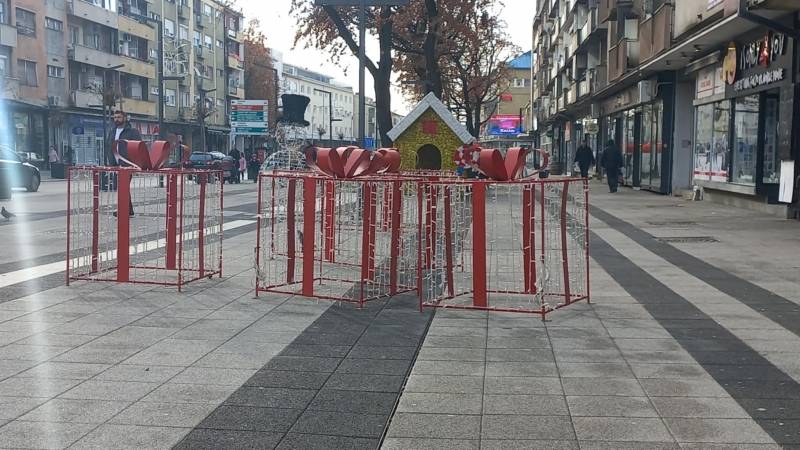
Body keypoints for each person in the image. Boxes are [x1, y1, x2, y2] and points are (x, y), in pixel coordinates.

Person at [105, 110, 142, 216]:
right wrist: (110, 161)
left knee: (122, 187)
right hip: (116, 164)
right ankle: (129, 210)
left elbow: (138, 147)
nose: (116, 119)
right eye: (115, 117)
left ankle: (123, 210)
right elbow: (109, 146)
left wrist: (135, 163)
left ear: (125, 118)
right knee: (122, 187)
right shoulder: (112, 132)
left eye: (119, 117)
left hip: (127, 164)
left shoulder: (132, 132)